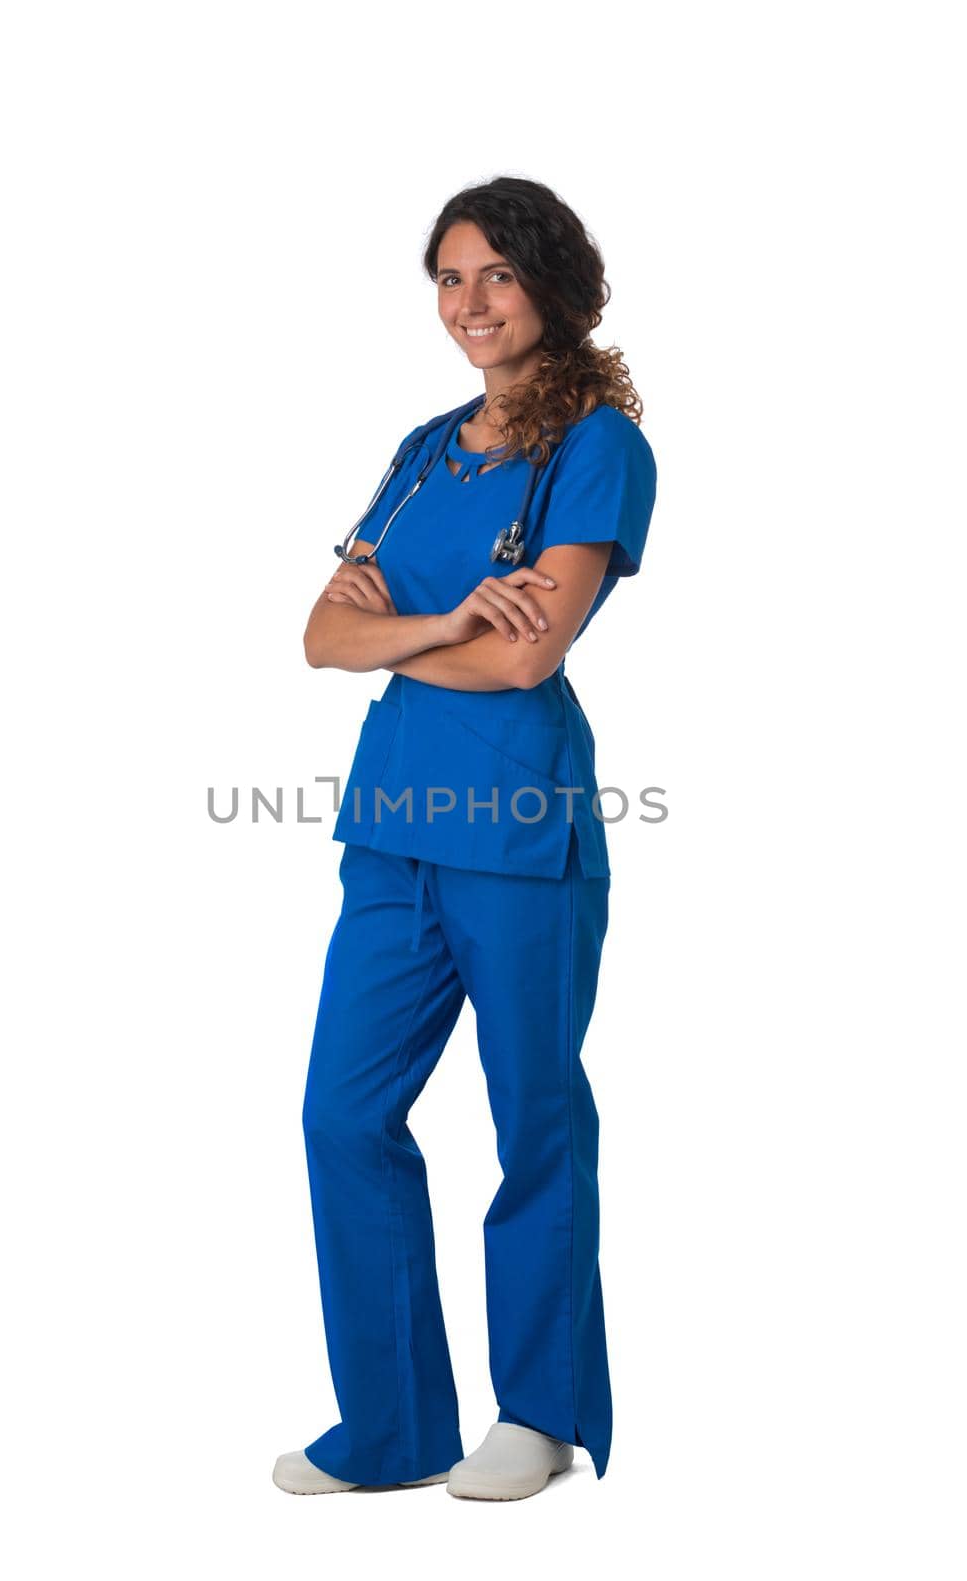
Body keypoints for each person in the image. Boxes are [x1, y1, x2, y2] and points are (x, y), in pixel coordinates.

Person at [273, 176, 658, 1502]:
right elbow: (324, 637)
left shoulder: (595, 448)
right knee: (341, 1113)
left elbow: (531, 652)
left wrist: (439, 636)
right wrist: (444, 625)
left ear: (552, 284)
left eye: (495, 273)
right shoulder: (428, 446)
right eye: (447, 278)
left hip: (515, 826)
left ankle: (539, 1413)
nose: (469, 303)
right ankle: (389, 1426)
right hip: (392, 829)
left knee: (534, 1119)